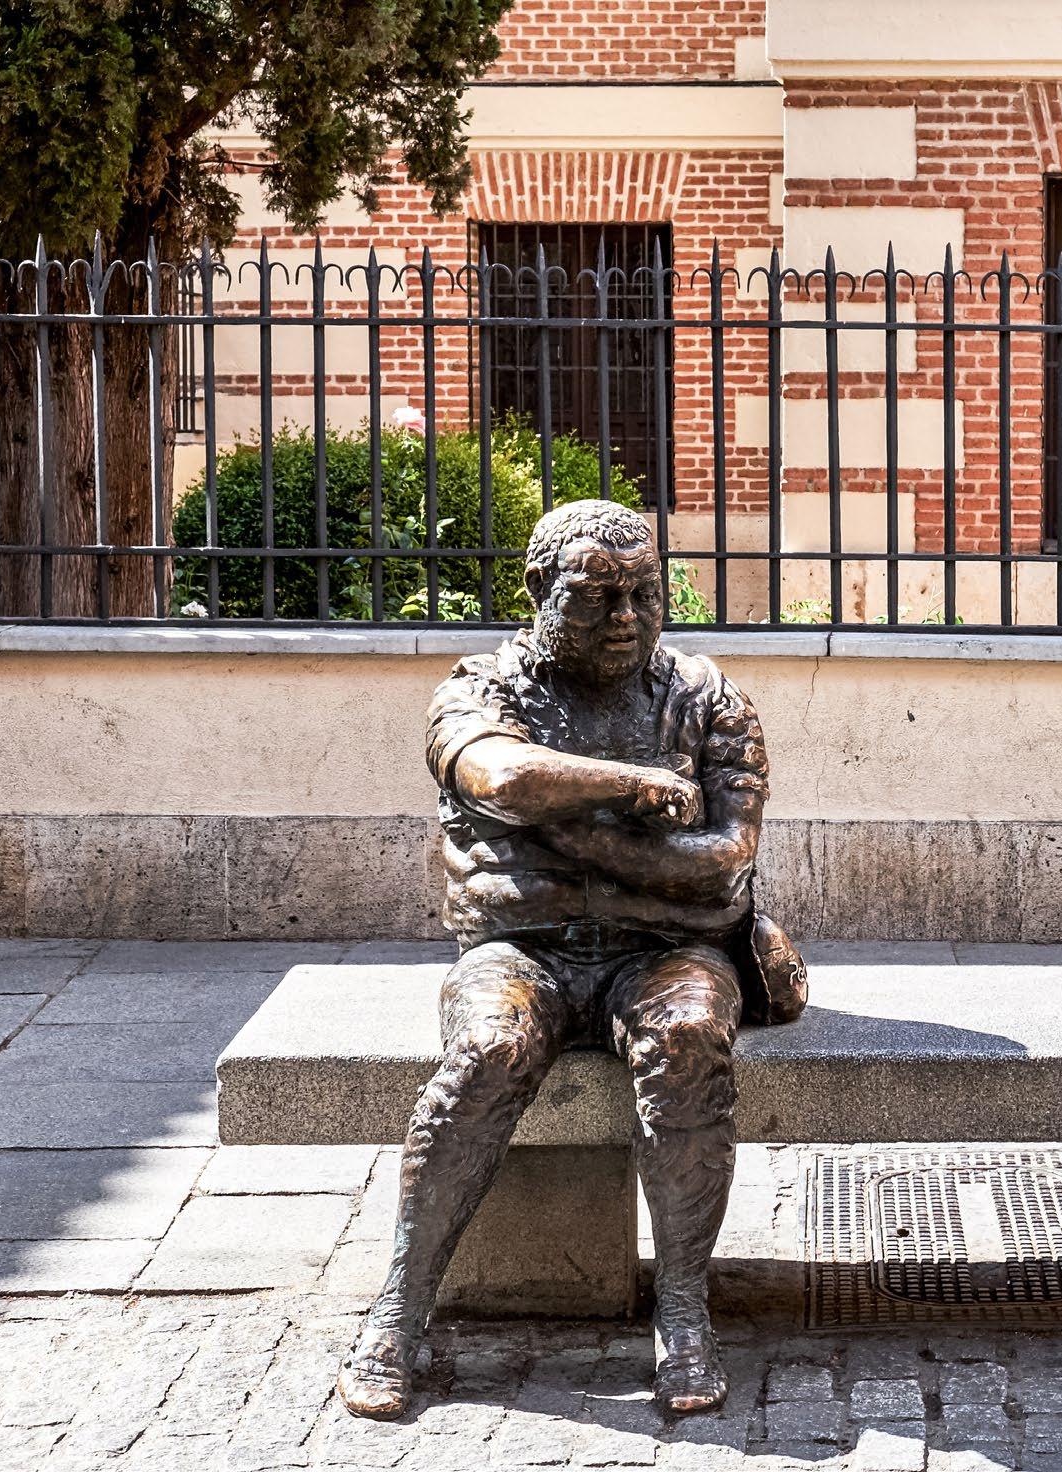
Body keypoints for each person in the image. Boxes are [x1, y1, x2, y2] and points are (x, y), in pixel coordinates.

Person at [337, 499, 805, 1419]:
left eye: (643, 594)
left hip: (666, 953)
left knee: (687, 1039)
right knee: (489, 1050)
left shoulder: (707, 698)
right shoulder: (482, 690)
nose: (626, 617)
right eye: (596, 598)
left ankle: (683, 1311)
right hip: (521, 950)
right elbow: (503, 775)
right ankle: (397, 1311)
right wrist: (636, 790)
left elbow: (722, 862)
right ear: (537, 589)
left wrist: (567, 837)